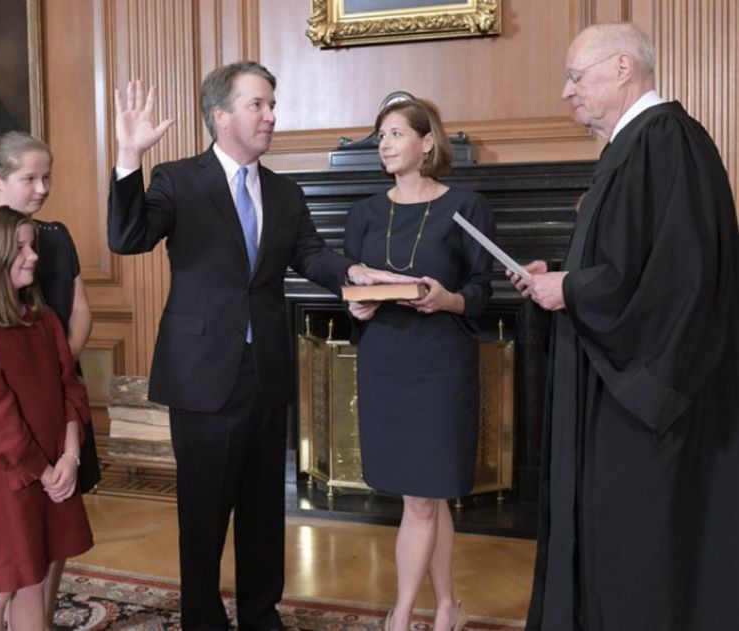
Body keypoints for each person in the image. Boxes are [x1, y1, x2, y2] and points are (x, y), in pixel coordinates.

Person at [108, 62, 405, 630]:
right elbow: (127, 238)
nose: (272, 115)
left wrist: (353, 275)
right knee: (203, 511)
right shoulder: (176, 179)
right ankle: (201, 616)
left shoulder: (284, 191)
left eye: (273, 104)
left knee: (265, 509)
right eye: (259, 104)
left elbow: (311, 254)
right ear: (221, 115)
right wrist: (128, 161)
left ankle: (261, 615)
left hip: (265, 370)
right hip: (201, 374)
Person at [509, 22, 739, 631]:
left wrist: (574, 289)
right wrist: (559, 278)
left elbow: (677, 280)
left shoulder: (666, 141)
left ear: (621, 69)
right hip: (612, 392)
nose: (565, 92)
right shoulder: (636, 145)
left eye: (575, 76)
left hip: (643, 406)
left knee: (639, 549)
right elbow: (627, 264)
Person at [344, 99, 494, 631]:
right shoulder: (362, 213)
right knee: (427, 497)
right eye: (379, 135)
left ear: (428, 142)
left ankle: (402, 616)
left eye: (395, 133)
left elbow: (482, 290)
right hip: (384, 362)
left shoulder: (465, 206)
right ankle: (448, 607)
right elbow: (356, 293)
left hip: (440, 365)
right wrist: (357, 305)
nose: (383, 144)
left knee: (424, 501)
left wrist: (446, 298)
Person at [0, 206, 94, 630]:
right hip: (5, 479)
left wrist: (69, 456)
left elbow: (70, 388)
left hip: (53, 469)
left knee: (36, 576)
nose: (32, 256)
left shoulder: (44, 321)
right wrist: (42, 470)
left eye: (32, 246)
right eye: (20, 248)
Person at [0, 130, 98, 627]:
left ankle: (39, 619)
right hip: (16, 407)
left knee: (58, 524)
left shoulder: (56, 236)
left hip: (62, 396)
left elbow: (81, 310)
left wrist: (57, 367)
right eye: (31, 178)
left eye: (47, 177)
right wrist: (41, 377)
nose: (42, 188)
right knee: (16, 535)